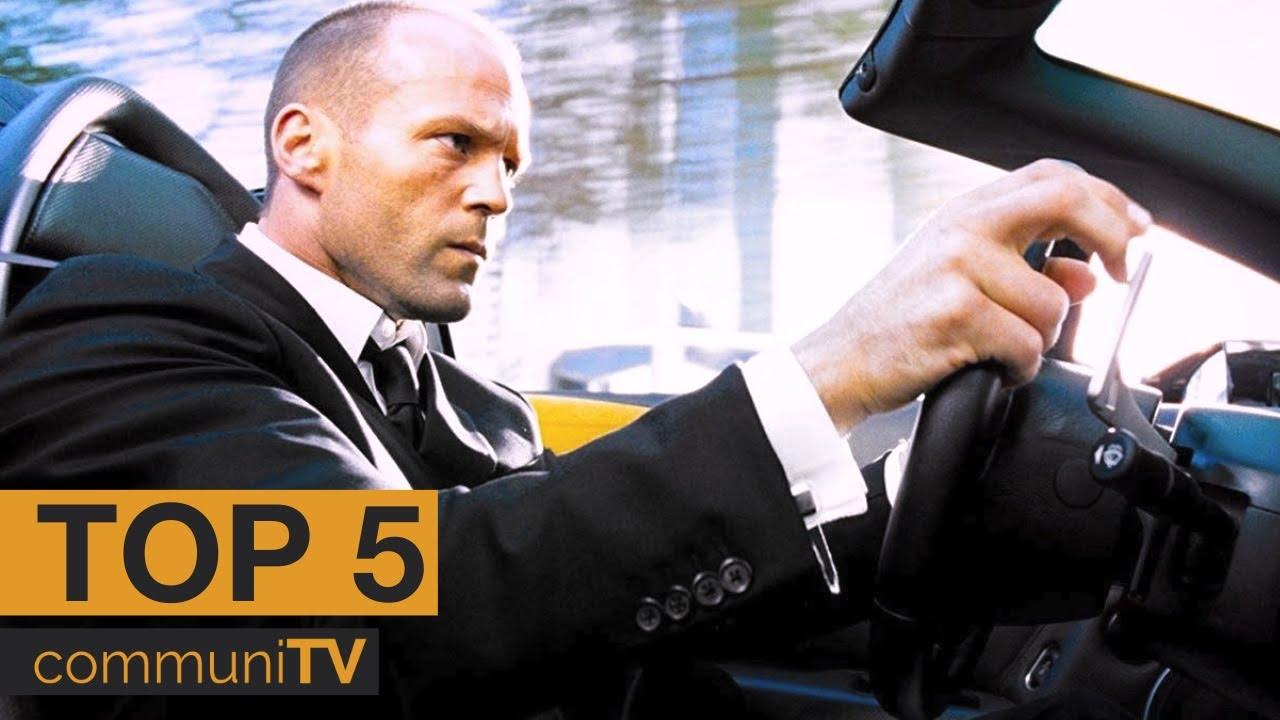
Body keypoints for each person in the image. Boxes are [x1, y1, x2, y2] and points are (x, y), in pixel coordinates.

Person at [0, 1, 1150, 717]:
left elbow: (594, 567)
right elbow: (385, 608)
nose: (495, 193)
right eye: (454, 142)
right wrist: (831, 369)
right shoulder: (118, 330)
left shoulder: (466, 400)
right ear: (304, 145)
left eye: (508, 161)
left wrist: (927, 502)